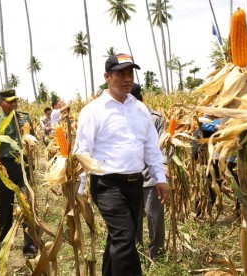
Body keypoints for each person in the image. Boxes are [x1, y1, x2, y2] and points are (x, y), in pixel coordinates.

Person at [75, 54, 168, 275]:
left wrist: (160, 178)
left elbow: (151, 148)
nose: (128, 79)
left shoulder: (140, 109)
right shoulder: (93, 111)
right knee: (126, 238)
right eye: (121, 74)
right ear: (107, 77)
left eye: (130, 73)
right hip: (107, 185)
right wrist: (78, 190)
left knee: (118, 237)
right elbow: (82, 153)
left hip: (134, 184)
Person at [0, 88, 36, 257]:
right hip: (4, 165)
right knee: (4, 205)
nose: (14, 104)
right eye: (10, 102)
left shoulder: (24, 117)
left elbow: (32, 139)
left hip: (22, 164)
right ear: (1, 104)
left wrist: (30, 147)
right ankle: (4, 239)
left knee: (26, 204)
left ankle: (29, 245)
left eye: (16, 101)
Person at [130, 84, 166, 261]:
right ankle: (137, 252)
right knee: (134, 219)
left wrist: (163, 171)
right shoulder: (121, 118)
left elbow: (163, 147)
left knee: (155, 218)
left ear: (141, 99)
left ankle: (157, 256)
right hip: (131, 177)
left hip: (151, 176)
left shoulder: (155, 118)